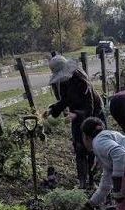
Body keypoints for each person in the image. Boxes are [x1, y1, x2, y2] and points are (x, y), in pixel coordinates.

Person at [43, 55, 103, 188]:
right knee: (79, 147)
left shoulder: (81, 81)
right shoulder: (64, 82)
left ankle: (92, 182)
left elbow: (90, 107)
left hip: (93, 113)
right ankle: (82, 182)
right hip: (76, 114)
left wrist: (77, 114)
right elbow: (66, 100)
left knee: (92, 147)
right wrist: (53, 110)